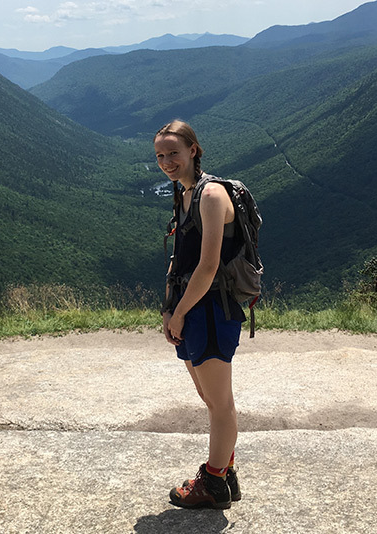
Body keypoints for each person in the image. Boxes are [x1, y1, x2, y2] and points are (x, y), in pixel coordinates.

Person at [155, 120, 244, 510]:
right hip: (192, 309)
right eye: (160, 155)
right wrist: (169, 308)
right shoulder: (186, 193)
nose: (167, 161)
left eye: (173, 152)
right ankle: (226, 472)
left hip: (210, 310)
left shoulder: (210, 196)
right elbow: (183, 257)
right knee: (209, 397)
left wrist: (179, 315)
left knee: (219, 403)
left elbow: (208, 267)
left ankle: (213, 481)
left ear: (194, 149)